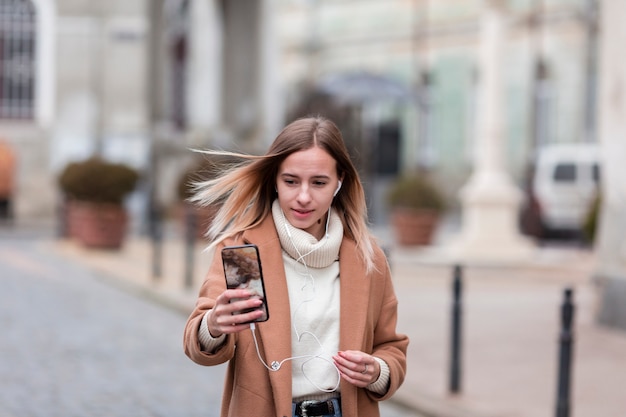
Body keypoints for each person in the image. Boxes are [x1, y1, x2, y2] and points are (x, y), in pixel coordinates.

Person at [183, 116, 408, 417]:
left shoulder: (367, 257)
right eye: (291, 181)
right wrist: (213, 325)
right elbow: (199, 346)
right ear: (274, 180)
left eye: (318, 182)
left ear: (339, 182)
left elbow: (391, 347)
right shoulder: (244, 253)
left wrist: (378, 371)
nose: (303, 197)